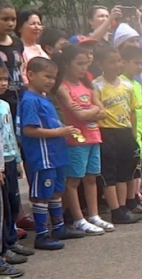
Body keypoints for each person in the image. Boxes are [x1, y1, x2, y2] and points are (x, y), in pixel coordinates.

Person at [19, 57, 85, 250]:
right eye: (47, 76)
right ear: (30, 75)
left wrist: (65, 128)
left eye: (54, 78)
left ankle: (59, 227)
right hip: (43, 156)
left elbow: (51, 123)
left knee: (57, 191)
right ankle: (41, 234)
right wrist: (59, 132)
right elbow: (29, 130)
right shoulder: (30, 100)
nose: (51, 81)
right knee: (42, 195)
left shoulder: (45, 97)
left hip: (56, 154)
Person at [53, 46, 114, 236]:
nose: (83, 68)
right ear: (66, 64)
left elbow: (103, 111)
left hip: (94, 136)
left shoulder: (88, 85)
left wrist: (90, 112)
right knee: (73, 180)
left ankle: (94, 215)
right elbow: (78, 114)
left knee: (91, 178)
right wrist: (92, 111)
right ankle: (78, 218)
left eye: (85, 64)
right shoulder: (63, 87)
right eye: (79, 64)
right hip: (76, 140)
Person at [92, 49, 142, 224]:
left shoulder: (127, 85)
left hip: (125, 131)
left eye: (119, 61)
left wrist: (133, 133)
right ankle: (115, 209)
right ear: (100, 64)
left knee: (125, 172)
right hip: (107, 132)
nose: (117, 65)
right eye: (112, 62)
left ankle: (123, 207)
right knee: (110, 173)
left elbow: (132, 111)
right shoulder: (96, 86)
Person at [0, 62, 32, 274]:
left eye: (5, 79)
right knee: (2, 208)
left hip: (9, 159)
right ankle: (4, 249)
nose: (3, 83)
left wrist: (17, 159)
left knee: (12, 203)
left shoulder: (4, 105)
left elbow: (9, 133)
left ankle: (10, 242)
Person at [119, 46, 142, 202]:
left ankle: (137, 193)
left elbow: (141, 106)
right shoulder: (121, 82)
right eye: (136, 63)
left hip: (141, 130)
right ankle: (132, 196)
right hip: (130, 131)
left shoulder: (137, 83)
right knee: (131, 166)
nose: (140, 67)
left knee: (139, 164)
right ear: (124, 62)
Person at [0, 1, 24, 121]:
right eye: (5, 19)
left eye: (13, 19)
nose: (10, 24)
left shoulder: (18, 43)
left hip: (18, 97)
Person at [16, 10, 48, 85]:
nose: (37, 27)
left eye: (39, 24)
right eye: (32, 24)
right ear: (19, 28)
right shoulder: (18, 49)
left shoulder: (40, 48)